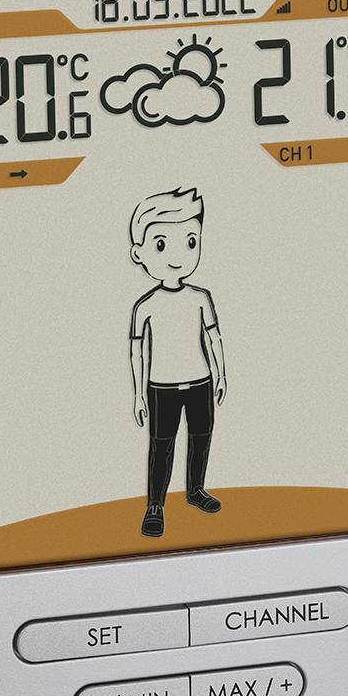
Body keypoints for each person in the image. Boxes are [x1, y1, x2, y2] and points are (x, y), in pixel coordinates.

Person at [129, 188, 227, 538]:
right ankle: (155, 506)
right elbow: (137, 352)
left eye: (190, 241)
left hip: (200, 380)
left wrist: (221, 374)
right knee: (161, 445)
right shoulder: (145, 306)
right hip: (162, 386)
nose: (177, 255)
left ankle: (195, 490)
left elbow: (213, 338)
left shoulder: (201, 298)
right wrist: (139, 395)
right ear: (139, 253)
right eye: (161, 244)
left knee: (201, 437)